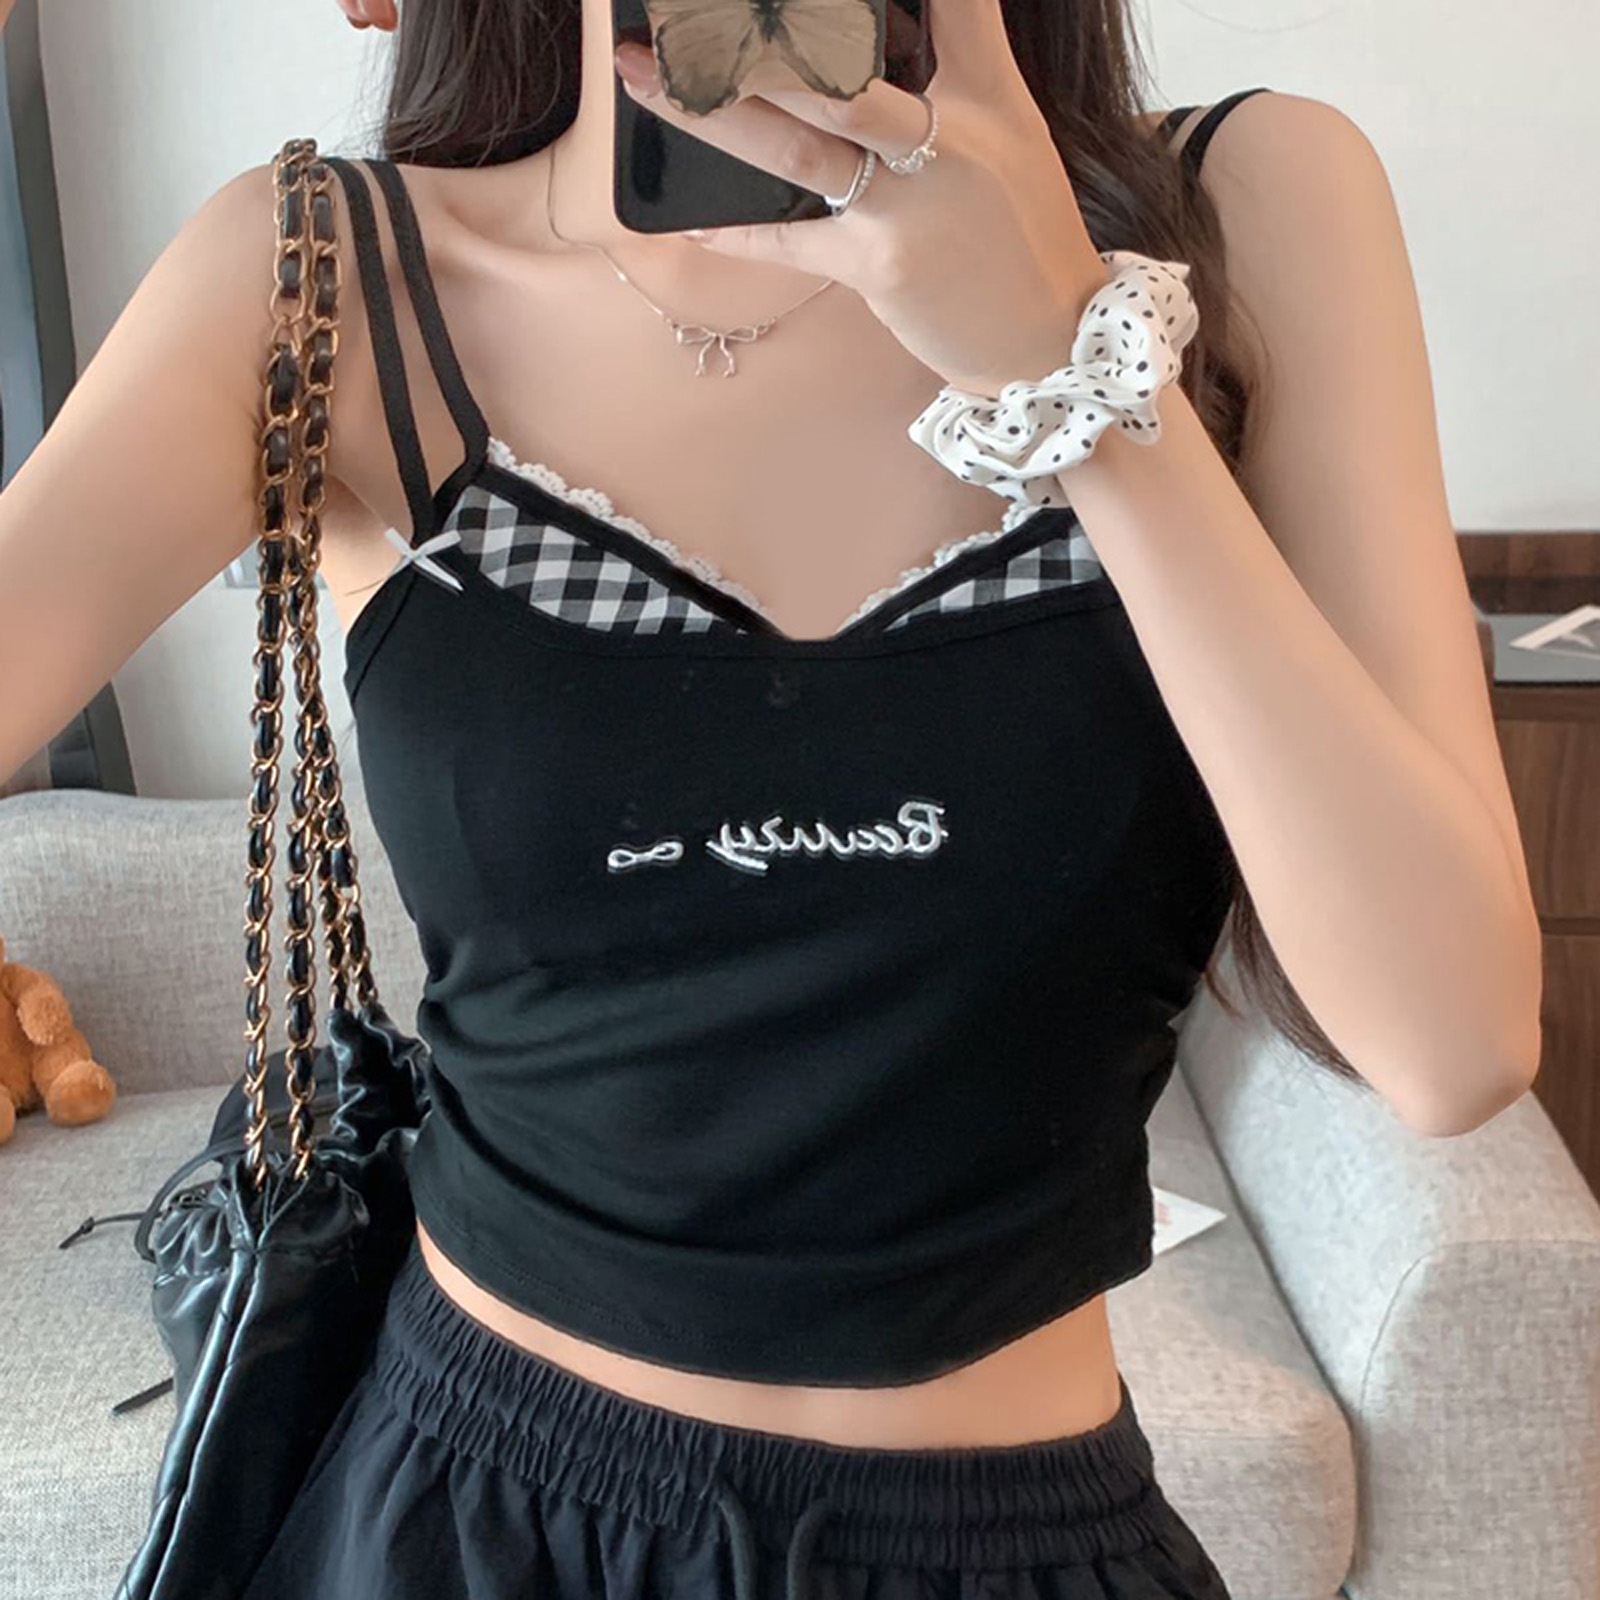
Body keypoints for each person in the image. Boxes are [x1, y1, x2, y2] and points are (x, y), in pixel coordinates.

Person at [0, 0, 1543, 1594]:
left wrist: (1070, 366)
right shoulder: (326, 277)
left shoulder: (1248, 205)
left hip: (1018, 1543)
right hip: (461, 1515)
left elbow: (1453, 1045)